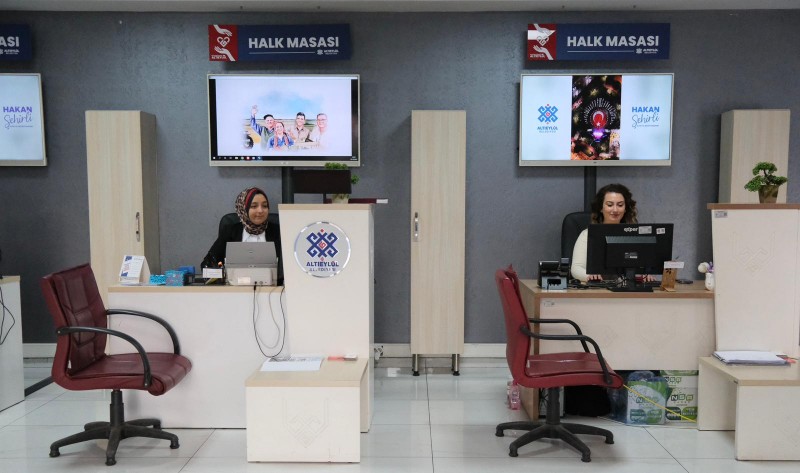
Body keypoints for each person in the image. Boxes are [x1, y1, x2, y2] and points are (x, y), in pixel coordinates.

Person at [570, 183, 650, 283]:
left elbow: (640, 266)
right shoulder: (587, 235)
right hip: (596, 289)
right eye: (610, 205)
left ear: (625, 208)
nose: (615, 210)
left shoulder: (634, 235)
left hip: (626, 289)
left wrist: (644, 275)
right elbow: (576, 268)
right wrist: (590, 276)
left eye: (620, 205)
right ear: (601, 208)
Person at [202, 187, 283, 285]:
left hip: (273, 290)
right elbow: (207, 265)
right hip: (234, 290)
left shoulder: (279, 232)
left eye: (265, 206)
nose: (260, 210)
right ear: (243, 209)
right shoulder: (230, 231)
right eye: (254, 206)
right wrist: (221, 273)